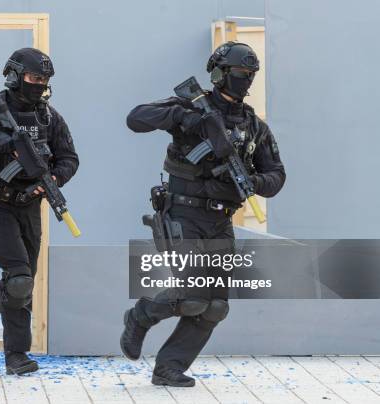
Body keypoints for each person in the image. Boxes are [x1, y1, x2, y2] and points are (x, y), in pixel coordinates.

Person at [120, 42, 286, 387]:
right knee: (191, 296)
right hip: (184, 213)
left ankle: (169, 367)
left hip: (221, 220)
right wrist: (185, 118)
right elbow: (135, 118)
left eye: (250, 75)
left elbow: (277, 176)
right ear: (218, 73)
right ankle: (141, 315)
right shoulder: (192, 106)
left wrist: (253, 180)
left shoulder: (254, 125)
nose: (245, 81)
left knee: (214, 307)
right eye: (239, 74)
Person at [0, 48, 79, 375]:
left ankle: (6, 346)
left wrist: (54, 179)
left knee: (23, 283)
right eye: (34, 77)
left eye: (43, 79)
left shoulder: (49, 117)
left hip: (30, 205)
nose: (39, 84)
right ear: (14, 75)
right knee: (17, 279)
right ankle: (5, 344)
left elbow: (69, 158)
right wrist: (0, 140)